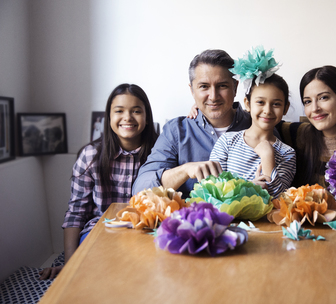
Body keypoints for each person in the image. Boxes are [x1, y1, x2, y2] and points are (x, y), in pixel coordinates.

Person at [39, 83, 158, 280]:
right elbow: (76, 212)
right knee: (101, 276)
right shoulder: (91, 155)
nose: (127, 117)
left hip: (146, 234)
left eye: (136, 111)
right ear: (109, 117)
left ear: (146, 117)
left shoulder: (160, 153)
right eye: (119, 111)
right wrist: (71, 264)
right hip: (100, 231)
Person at [132, 49, 251, 196]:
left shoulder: (258, 125)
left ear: (235, 87)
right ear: (192, 90)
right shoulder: (176, 131)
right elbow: (140, 190)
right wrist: (184, 170)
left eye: (222, 86)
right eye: (204, 86)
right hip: (189, 219)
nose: (213, 96)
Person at [209, 48, 296, 198]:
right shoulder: (228, 141)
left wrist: (268, 156)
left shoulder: (287, 153)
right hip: (229, 219)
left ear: (285, 108)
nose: (267, 110)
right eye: (260, 102)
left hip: (267, 221)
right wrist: (248, 188)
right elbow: (212, 189)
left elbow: (279, 199)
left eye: (276, 104)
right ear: (247, 104)